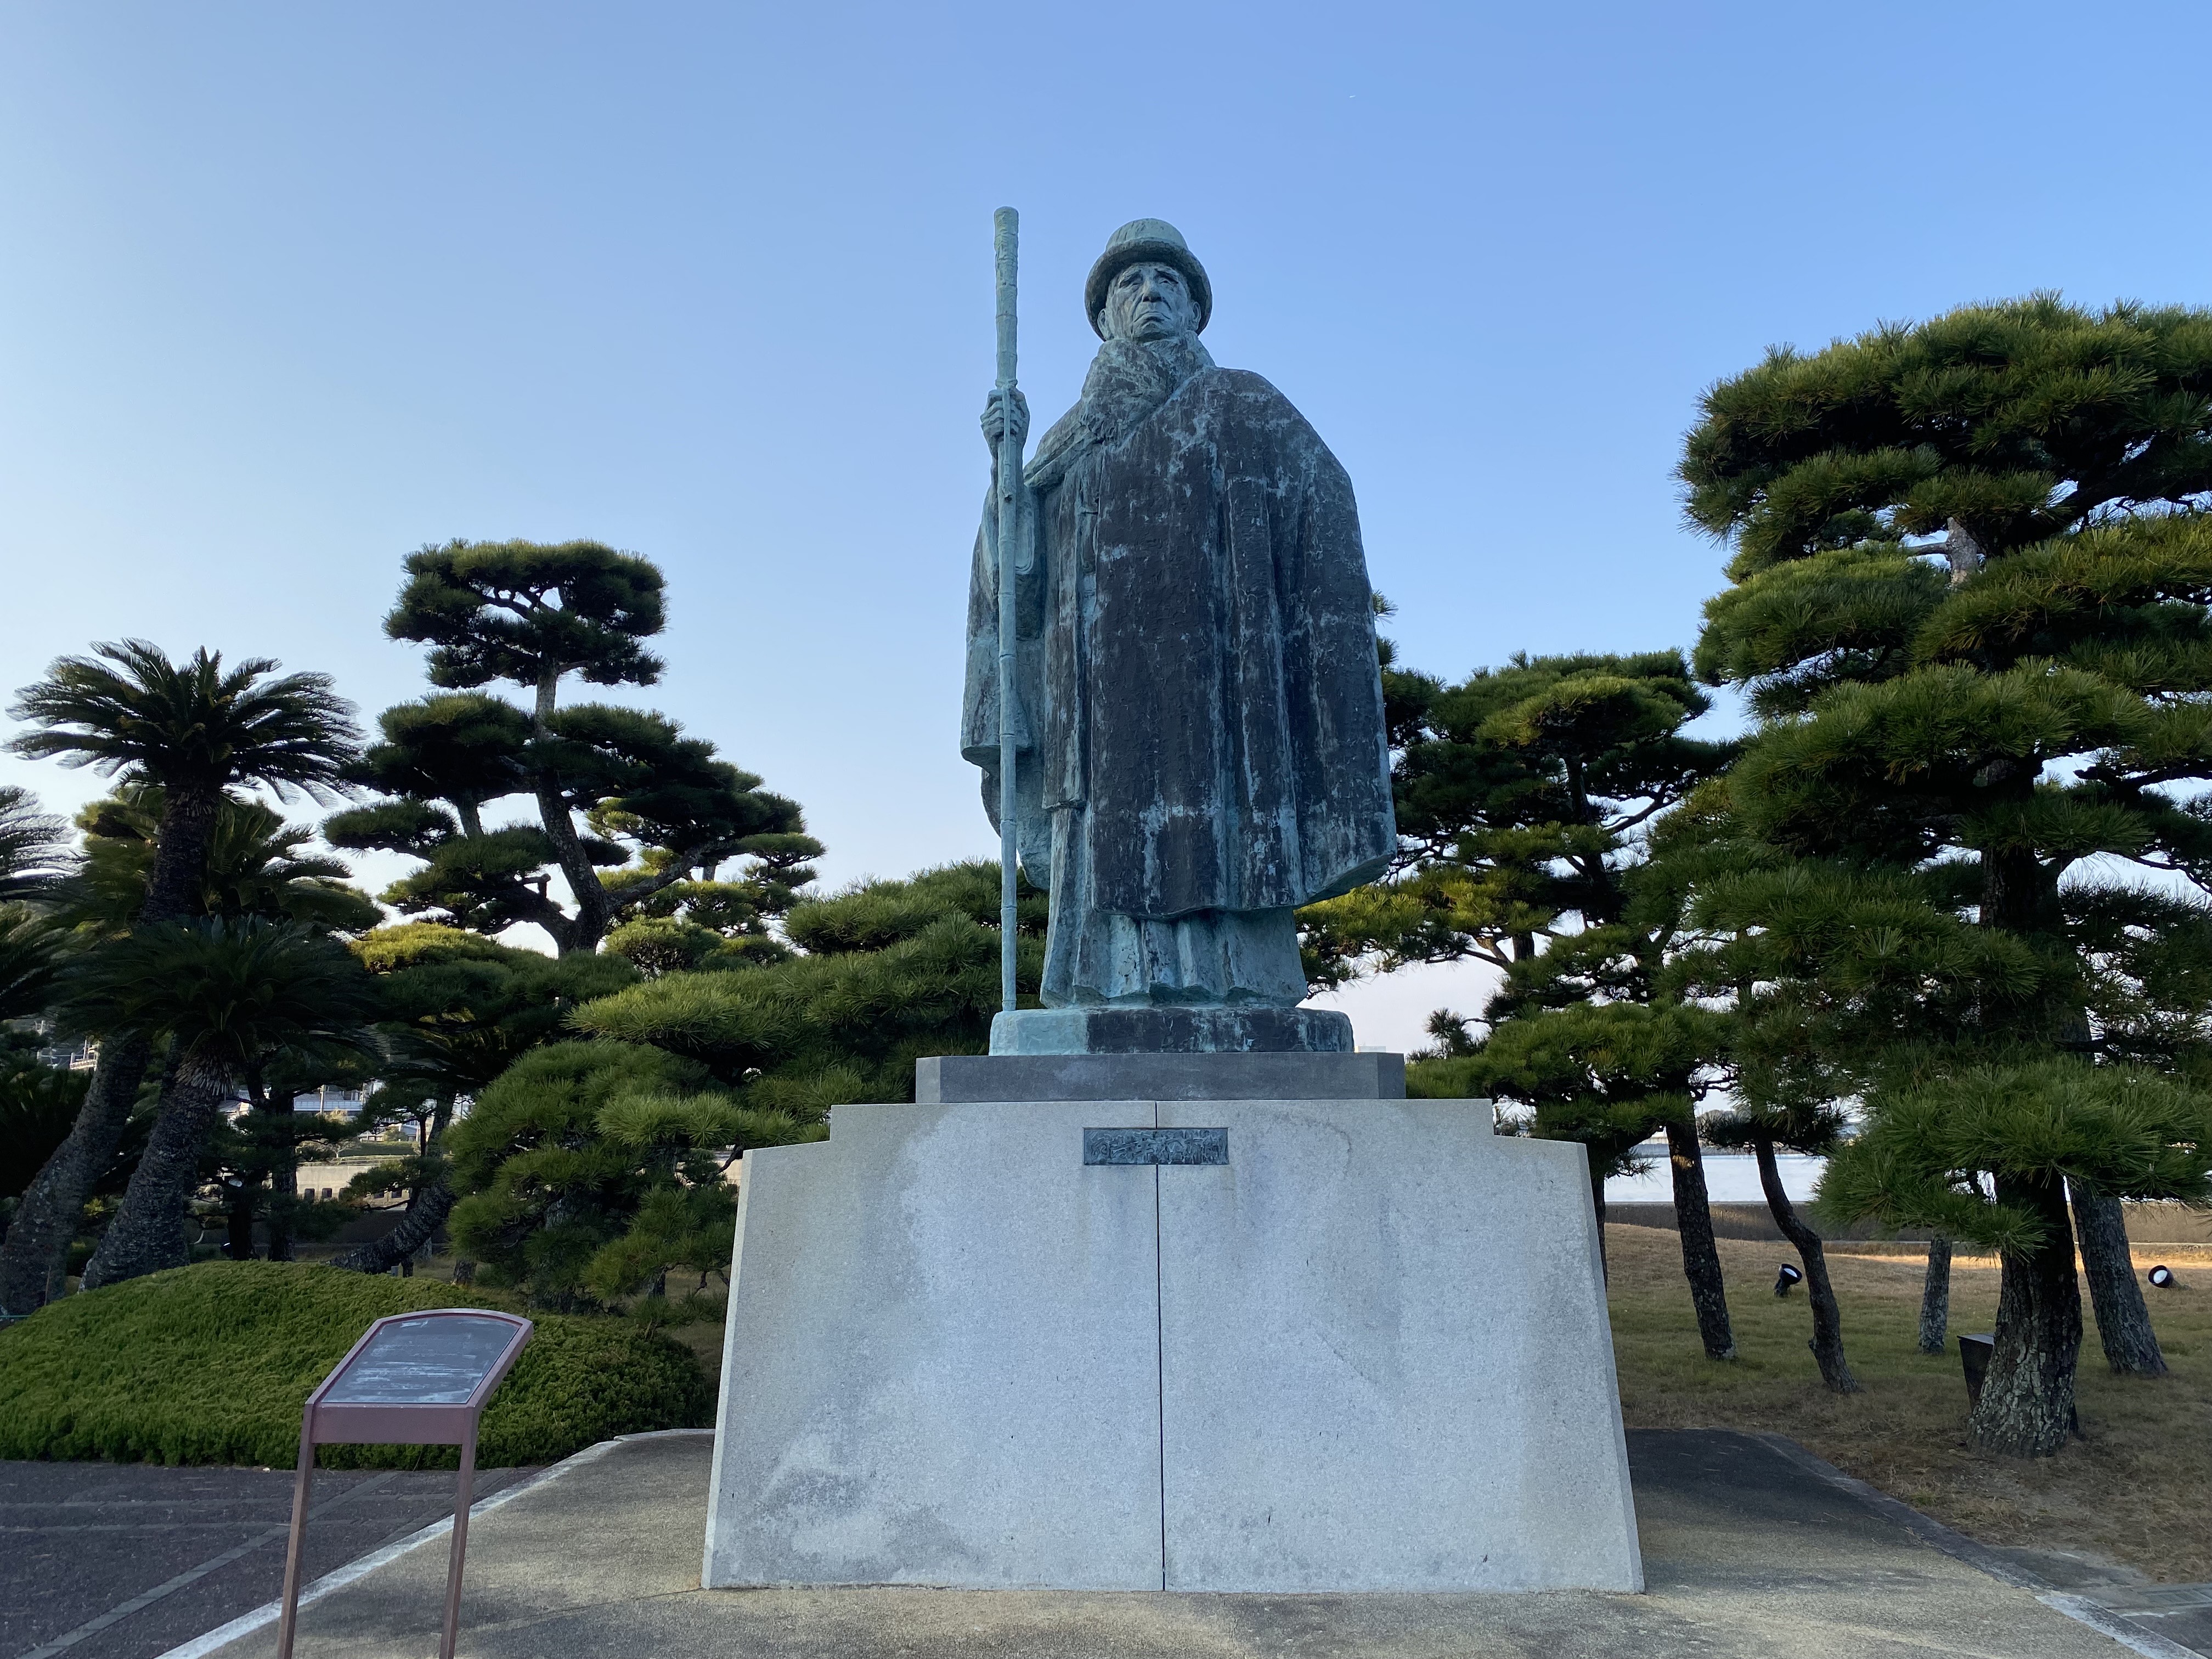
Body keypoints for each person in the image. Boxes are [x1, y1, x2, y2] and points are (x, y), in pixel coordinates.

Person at [962, 219, 1395, 1019]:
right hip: (1096, 689)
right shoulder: (1069, 439)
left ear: (1195, 309)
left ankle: (1241, 981)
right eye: (1130, 283)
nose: (1150, 293)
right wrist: (1007, 473)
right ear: (1104, 317)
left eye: (1169, 281)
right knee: (1107, 832)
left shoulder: (1242, 406)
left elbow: (1322, 505)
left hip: (1219, 680)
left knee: (1219, 819)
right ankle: (1106, 987)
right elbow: (1018, 585)